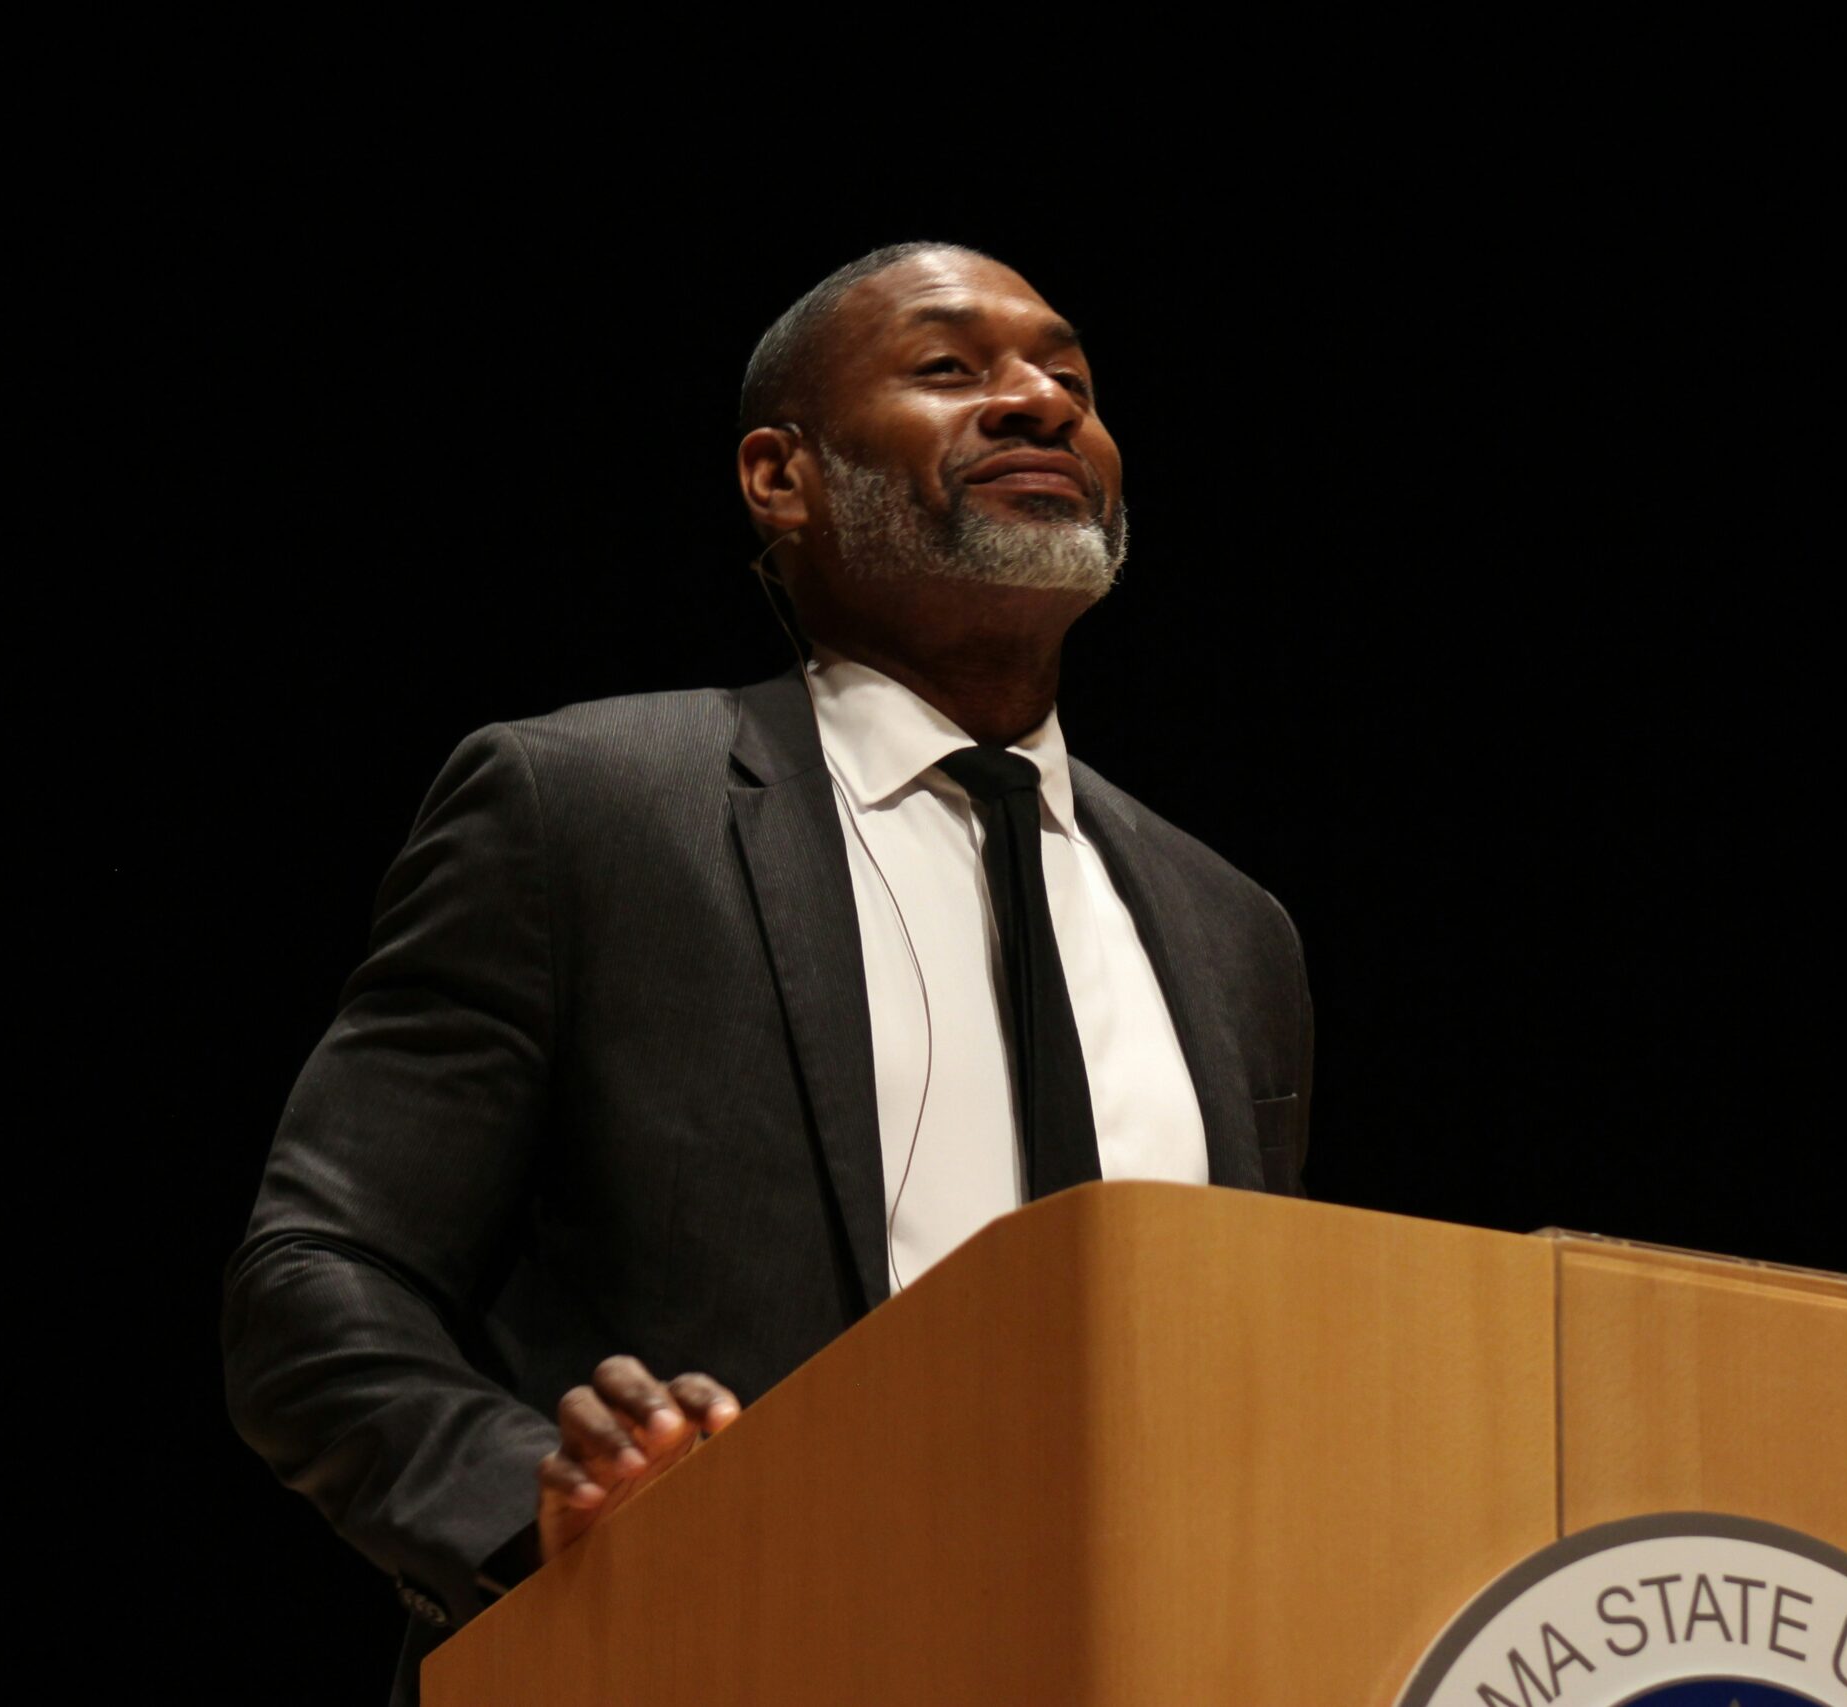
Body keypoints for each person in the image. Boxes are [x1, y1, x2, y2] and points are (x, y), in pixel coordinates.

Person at [221, 241, 1315, 1701]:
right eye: (951, 369)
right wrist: (534, 1497)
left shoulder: (1236, 932)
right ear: (778, 477)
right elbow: (317, 1282)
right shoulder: (585, 809)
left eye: (1070, 378)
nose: (1039, 403)